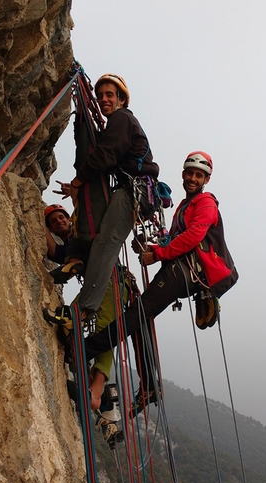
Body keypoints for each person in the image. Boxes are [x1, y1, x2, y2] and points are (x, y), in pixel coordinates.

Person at [80, 151, 237, 416]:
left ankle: (84, 350)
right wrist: (152, 248)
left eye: (199, 175)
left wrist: (157, 254)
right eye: (190, 173)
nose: (192, 178)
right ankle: (150, 384)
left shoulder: (206, 203)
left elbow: (194, 236)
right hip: (182, 270)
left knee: (137, 313)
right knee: (141, 315)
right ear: (183, 174)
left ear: (206, 180)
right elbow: (177, 239)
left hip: (187, 271)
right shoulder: (185, 207)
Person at [53, 73, 159, 318]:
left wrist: (78, 182)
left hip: (133, 191)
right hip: (132, 190)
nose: (103, 100)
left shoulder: (122, 119)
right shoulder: (117, 123)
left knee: (105, 244)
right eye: (100, 96)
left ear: (121, 99)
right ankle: (78, 259)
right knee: (102, 238)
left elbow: (104, 155)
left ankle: (84, 310)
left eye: (109, 95)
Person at [43, 204, 127, 410]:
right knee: (69, 320)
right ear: (52, 230)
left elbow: (85, 207)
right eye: (53, 221)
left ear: (69, 218)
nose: (59, 221)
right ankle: (92, 388)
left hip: (113, 281)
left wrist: (75, 190)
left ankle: (96, 392)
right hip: (97, 285)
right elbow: (53, 249)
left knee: (103, 330)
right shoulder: (69, 248)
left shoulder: (83, 232)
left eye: (61, 217)